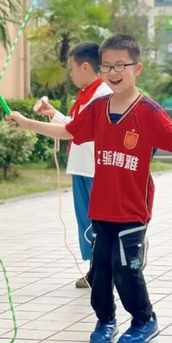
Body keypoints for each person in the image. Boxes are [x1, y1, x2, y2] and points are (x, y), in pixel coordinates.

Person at [6, 34, 172, 343]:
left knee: (126, 272)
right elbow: (69, 131)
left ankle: (144, 320)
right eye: (107, 66)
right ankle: (105, 320)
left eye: (120, 65)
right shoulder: (97, 108)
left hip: (132, 211)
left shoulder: (148, 110)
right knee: (100, 273)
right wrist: (28, 122)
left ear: (137, 68)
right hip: (101, 208)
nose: (113, 72)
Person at [34, 41, 112, 288]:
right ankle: (96, 269)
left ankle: (104, 270)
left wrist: (28, 123)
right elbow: (75, 124)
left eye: (72, 68)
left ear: (85, 67)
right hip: (81, 167)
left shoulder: (102, 94)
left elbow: (74, 130)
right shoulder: (87, 94)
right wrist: (53, 114)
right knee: (86, 222)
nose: (70, 74)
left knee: (97, 223)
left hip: (95, 169)